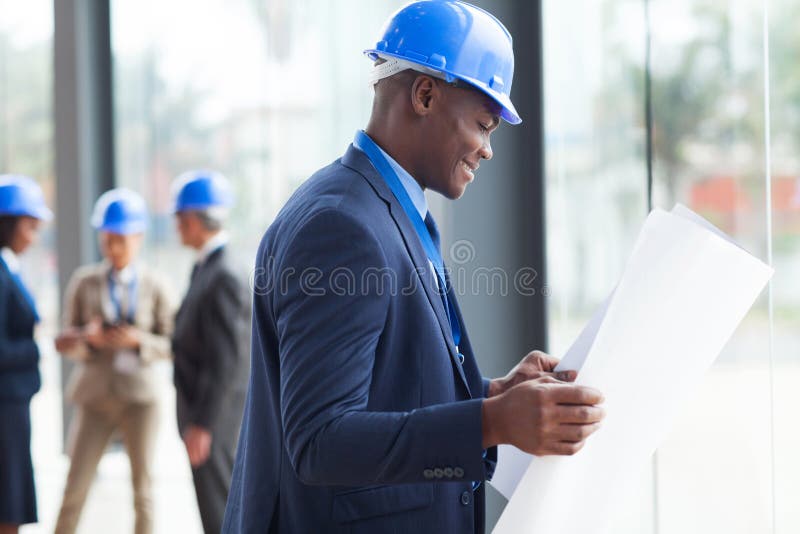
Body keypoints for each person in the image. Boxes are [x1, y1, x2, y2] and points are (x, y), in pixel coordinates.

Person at [223, 2, 605, 533]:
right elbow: (320, 441)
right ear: (425, 95)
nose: (488, 150)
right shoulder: (341, 228)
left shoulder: (386, 210)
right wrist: (491, 422)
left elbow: (384, 388)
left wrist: (492, 396)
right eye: (483, 124)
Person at [53, 188, 174, 534]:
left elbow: (173, 343)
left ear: (138, 238)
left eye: (121, 239)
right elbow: (64, 340)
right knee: (75, 487)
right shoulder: (84, 283)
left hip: (141, 399)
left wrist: (139, 341)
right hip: (95, 397)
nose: (114, 247)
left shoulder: (156, 284)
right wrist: (87, 340)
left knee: (144, 489)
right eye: (107, 240)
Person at [171, 170, 250, 534]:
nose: (177, 226)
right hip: (207, 418)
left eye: (179, 218)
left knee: (221, 512)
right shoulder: (207, 268)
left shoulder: (224, 275)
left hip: (214, 421)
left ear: (193, 219)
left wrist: (203, 423)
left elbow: (224, 360)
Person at [0, 175, 52, 534]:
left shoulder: (10, 268)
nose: (34, 237)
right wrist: (38, 346)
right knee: (8, 502)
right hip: (4, 406)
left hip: (13, 403)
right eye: (30, 227)